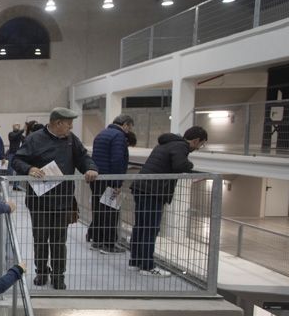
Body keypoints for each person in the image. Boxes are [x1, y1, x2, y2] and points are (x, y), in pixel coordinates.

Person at [12, 107, 99, 290]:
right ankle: (41, 272)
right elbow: (17, 160)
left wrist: (91, 168)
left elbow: (83, 157)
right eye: (69, 124)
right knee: (41, 238)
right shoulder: (34, 139)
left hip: (63, 200)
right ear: (58, 123)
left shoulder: (70, 140)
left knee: (59, 240)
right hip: (39, 201)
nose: (71, 127)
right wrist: (29, 169)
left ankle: (58, 275)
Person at [128, 126, 207, 276]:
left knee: (141, 226)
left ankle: (135, 261)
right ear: (196, 140)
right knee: (150, 229)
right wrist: (190, 165)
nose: (199, 147)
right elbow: (180, 165)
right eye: (201, 144)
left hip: (142, 187)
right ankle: (147, 266)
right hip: (153, 191)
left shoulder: (168, 143)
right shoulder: (181, 146)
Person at [86, 114, 133, 253]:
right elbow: (117, 160)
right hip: (109, 180)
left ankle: (97, 242)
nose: (129, 131)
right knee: (111, 212)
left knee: (99, 211)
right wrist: (117, 183)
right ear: (125, 125)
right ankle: (109, 244)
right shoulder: (118, 136)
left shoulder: (102, 134)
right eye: (129, 128)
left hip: (98, 178)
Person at [6, 122, 25, 189]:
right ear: (13, 127)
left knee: (19, 170)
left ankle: (16, 185)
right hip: (12, 153)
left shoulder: (21, 136)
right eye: (15, 125)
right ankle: (7, 185)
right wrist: (22, 130)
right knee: (10, 169)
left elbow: (24, 143)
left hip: (19, 154)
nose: (16, 127)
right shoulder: (11, 134)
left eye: (17, 125)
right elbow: (14, 136)